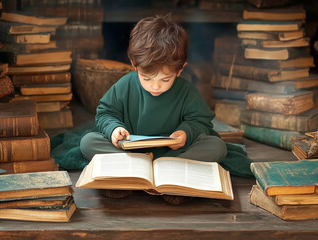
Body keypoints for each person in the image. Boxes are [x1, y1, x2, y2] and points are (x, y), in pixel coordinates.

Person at [79, 14, 227, 204]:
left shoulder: (186, 91)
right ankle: (138, 169)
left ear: (180, 69)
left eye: (165, 80)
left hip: (172, 153)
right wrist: (114, 129)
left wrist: (185, 133)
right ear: (134, 65)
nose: (155, 87)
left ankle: (168, 174)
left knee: (217, 146)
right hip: (130, 152)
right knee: (88, 142)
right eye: (147, 78)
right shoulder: (125, 84)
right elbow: (106, 113)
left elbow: (200, 122)